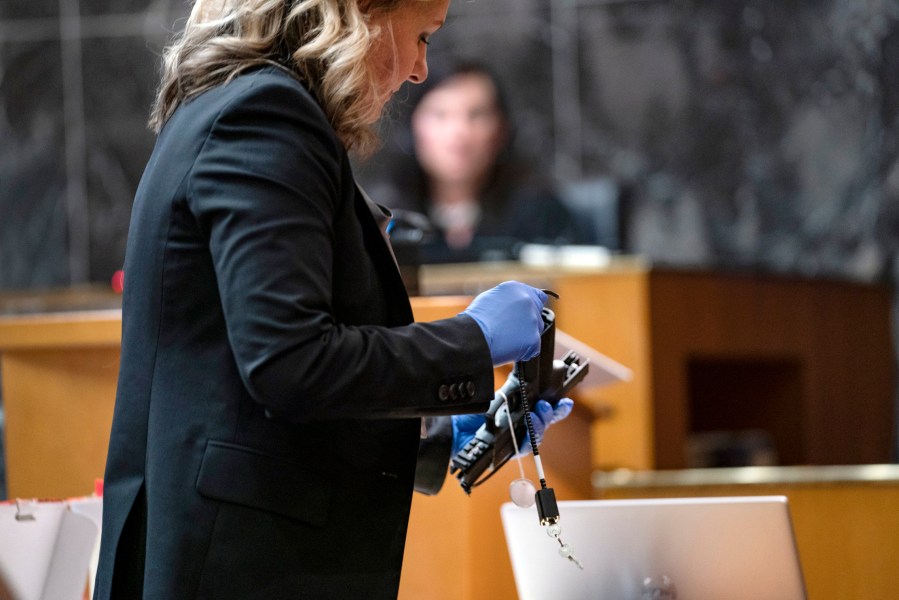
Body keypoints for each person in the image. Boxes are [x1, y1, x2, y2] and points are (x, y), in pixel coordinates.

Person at [93, 1, 573, 599]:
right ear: (361, 12)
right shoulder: (264, 114)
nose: (421, 69)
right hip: (239, 567)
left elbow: (245, 383)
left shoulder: (238, 103)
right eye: (422, 35)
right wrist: (472, 339)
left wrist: (436, 432)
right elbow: (289, 362)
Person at [377, 61, 593, 263]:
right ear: (412, 127)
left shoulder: (541, 214)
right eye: (440, 115)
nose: (460, 132)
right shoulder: (385, 218)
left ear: (501, 130)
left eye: (477, 115)